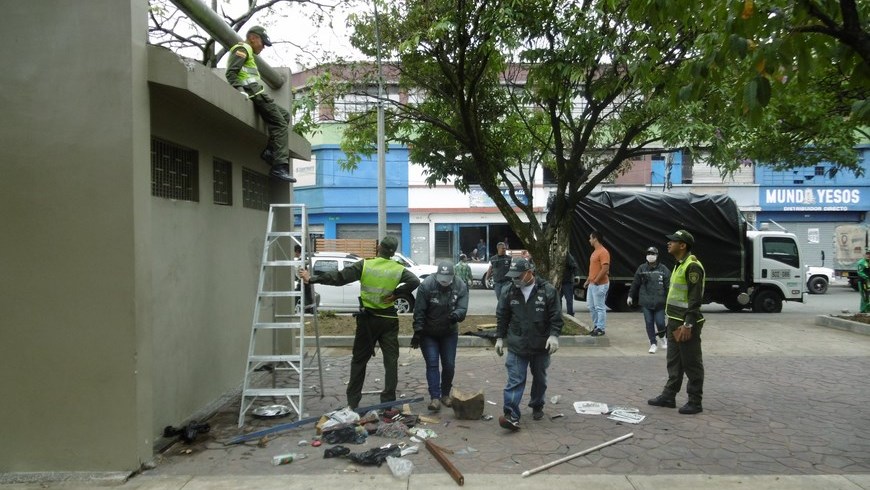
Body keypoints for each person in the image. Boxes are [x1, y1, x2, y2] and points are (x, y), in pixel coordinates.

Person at [299, 236, 420, 409]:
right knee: (391, 362)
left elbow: (339, 277)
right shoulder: (398, 269)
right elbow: (415, 281)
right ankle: (388, 402)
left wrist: (312, 279)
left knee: (359, 361)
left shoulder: (365, 265)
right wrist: (397, 293)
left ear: (379, 247)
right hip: (388, 320)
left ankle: (353, 402)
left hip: (368, 321)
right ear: (393, 253)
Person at [494, 258, 563, 431]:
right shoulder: (509, 291)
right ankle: (511, 415)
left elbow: (556, 316)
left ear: (529, 273)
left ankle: (537, 404)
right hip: (517, 343)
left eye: (518, 276)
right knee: (515, 379)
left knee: (540, 379)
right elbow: (502, 316)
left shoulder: (547, 291)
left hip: (540, 345)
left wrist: (554, 336)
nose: (515, 280)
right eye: (513, 276)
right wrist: (499, 338)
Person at [225, 26, 295, 183]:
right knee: (280, 125)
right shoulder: (242, 48)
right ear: (253, 38)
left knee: (285, 116)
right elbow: (231, 73)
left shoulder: (248, 51)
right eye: (262, 43)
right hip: (254, 94)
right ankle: (279, 167)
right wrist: (239, 90)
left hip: (258, 94)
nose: (263, 47)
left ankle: (270, 152)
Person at [648, 229, 706, 415]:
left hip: (685, 323)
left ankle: (695, 401)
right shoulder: (678, 264)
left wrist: (688, 323)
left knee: (691, 362)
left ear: (683, 245)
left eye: (673, 241)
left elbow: (695, 298)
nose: (668, 243)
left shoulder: (692, 266)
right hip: (673, 321)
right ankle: (669, 396)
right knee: (674, 361)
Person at [411, 262, 469, 411]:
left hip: (449, 332)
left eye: (447, 278)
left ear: (453, 276)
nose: (444, 281)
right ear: (437, 275)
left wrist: (456, 315)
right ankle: (435, 398)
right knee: (432, 364)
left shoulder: (460, 285)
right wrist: (418, 331)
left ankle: (445, 394)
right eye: (441, 278)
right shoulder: (427, 285)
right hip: (428, 333)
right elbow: (419, 311)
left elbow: (462, 307)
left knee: (449, 365)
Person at [628, 246, 671, 354]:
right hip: (646, 301)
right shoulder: (642, 269)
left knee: (661, 323)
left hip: (659, 302)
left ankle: (662, 337)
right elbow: (635, 283)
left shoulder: (663, 269)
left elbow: (669, 286)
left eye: (653, 253)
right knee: (649, 322)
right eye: (649, 253)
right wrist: (630, 296)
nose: (650, 256)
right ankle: (653, 343)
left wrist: (670, 300)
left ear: (657, 255)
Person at [583, 231, 610, 336]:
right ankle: (597, 326)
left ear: (595, 239)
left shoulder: (603, 252)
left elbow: (605, 268)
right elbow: (593, 269)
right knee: (591, 306)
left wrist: (597, 280)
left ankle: (600, 328)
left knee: (599, 307)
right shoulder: (595, 252)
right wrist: (588, 280)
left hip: (600, 284)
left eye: (590, 238)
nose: (589, 240)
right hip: (592, 284)